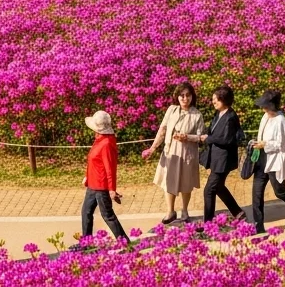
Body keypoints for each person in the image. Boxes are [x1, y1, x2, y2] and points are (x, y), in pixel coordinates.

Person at [140, 82, 204, 224]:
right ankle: (170, 211)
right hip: (171, 151)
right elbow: (162, 130)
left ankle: (185, 210)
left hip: (187, 153)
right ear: (177, 97)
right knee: (169, 181)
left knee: (186, 183)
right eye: (182, 96)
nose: (185, 98)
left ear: (192, 97)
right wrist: (152, 148)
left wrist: (187, 137)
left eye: (188, 95)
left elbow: (201, 137)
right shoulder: (171, 110)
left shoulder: (197, 114)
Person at [250, 89, 285, 234]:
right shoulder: (265, 117)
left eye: (266, 106)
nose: (263, 109)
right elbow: (261, 134)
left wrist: (265, 144)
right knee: (256, 192)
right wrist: (257, 144)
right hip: (262, 159)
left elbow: (283, 143)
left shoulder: (280, 120)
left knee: (279, 191)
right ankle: (258, 226)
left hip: (274, 160)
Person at [187, 85, 245, 223]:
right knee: (218, 187)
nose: (213, 101)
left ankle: (208, 222)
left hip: (223, 160)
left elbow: (226, 139)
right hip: (216, 158)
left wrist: (208, 138)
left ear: (224, 99)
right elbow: (212, 131)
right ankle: (238, 212)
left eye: (216, 99)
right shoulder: (218, 114)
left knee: (209, 189)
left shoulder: (230, 117)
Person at [80, 110, 129, 244]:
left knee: (107, 215)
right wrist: (87, 177)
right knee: (86, 212)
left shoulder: (106, 143)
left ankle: (124, 242)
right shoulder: (99, 139)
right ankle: (86, 242)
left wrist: (111, 189)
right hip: (92, 184)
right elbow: (93, 161)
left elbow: (110, 168)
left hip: (101, 186)